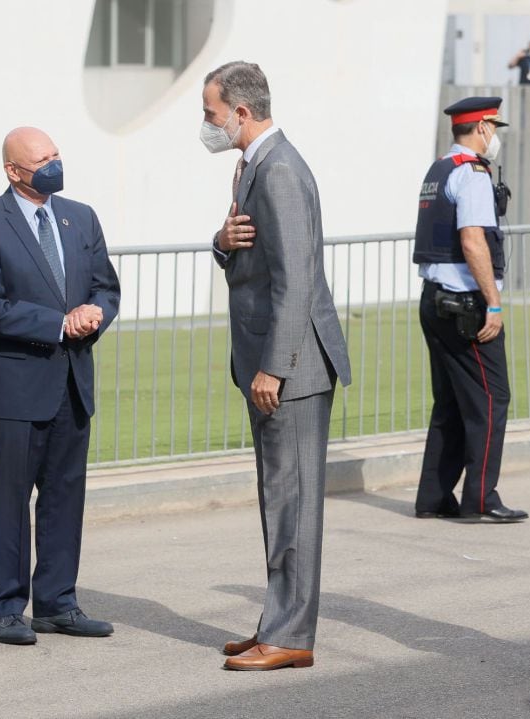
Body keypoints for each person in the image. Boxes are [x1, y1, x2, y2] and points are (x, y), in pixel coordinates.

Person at [202, 61, 351, 671]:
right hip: (273, 359)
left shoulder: (281, 170)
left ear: (241, 112)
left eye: (211, 113)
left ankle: (291, 635)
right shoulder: (257, 165)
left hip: (290, 366)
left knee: (293, 499)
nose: (206, 124)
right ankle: (277, 620)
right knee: (278, 497)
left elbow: (295, 282)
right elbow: (256, 257)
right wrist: (222, 242)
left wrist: (275, 368)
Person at [0, 127, 120, 645]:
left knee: (64, 496)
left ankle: (57, 603)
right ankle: (5, 608)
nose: (54, 165)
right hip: (15, 389)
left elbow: (105, 285)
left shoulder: (81, 216)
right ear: (13, 170)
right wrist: (57, 324)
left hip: (72, 382)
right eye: (42, 159)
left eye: (57, 155)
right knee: (9, 499)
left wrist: (97, 311)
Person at [411, 97, 528, 524]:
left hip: (434, 299)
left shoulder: (439, 169)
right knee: (492, 398)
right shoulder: (473, 173)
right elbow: (473, 241)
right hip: (465, 304)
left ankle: (434, 496)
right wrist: (492, 305)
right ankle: (481, 498)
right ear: (481, 128)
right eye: (493, 128)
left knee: (450, 402)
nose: (494, 136)